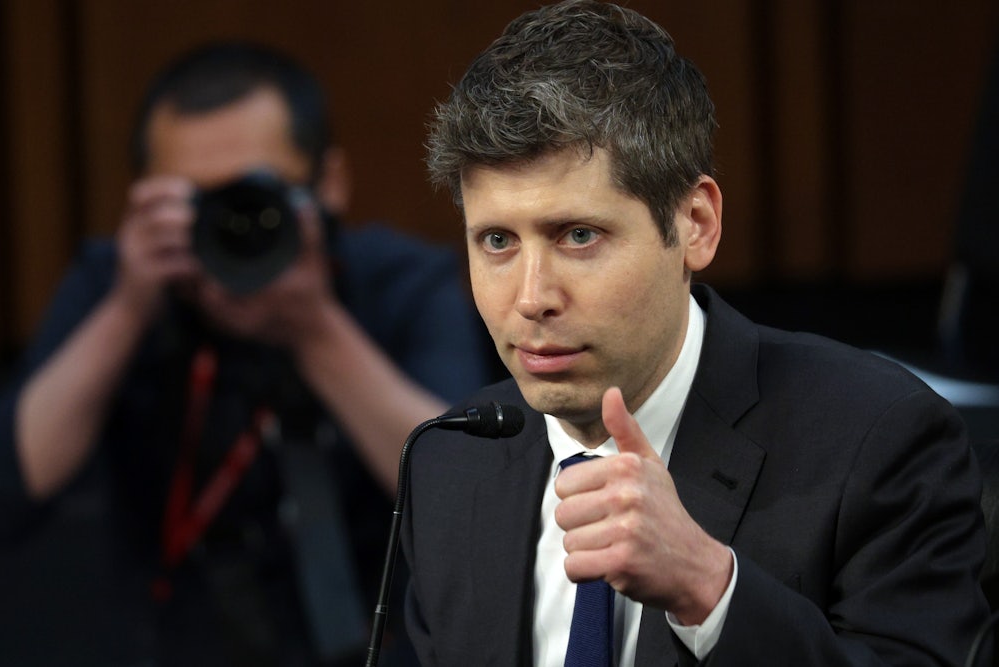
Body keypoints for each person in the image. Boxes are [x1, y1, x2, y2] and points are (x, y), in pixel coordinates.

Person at [400, 2, 991, 665]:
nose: (532, 297)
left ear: (696, 225)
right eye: (498, 240)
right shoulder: (451, 462)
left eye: (579, 235)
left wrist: (710, 589)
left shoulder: (879, 440)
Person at [0, 42, 493, 666]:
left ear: (330, 185)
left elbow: (472, 498)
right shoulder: (119, 286)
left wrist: (315, 329)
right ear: (148, 199)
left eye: (258, 194)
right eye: (196, 200)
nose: (232, 223)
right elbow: (13, 488)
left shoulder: (397, 280)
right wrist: (127, 309)